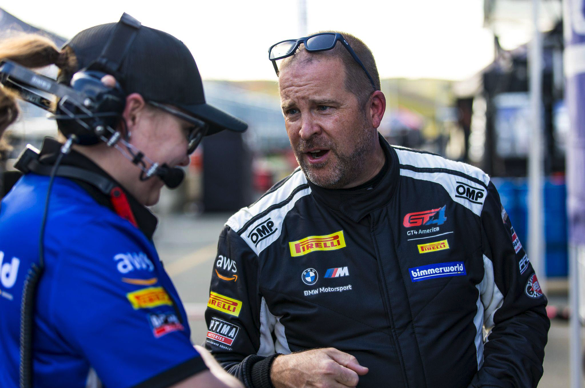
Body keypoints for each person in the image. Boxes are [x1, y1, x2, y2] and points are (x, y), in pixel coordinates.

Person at [204, 31, 550, 388]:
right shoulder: (250, 236)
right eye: (292, 111)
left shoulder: (464, 196)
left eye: (323, 107)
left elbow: (522, 314)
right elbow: (216, 370)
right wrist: (278, 372)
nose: (305, 130)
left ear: (374, 110)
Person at [0, 15, 246, 388]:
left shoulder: (27, 197)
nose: (185, 155)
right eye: (189, 132)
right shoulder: (88, 240)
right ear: (132, 113)